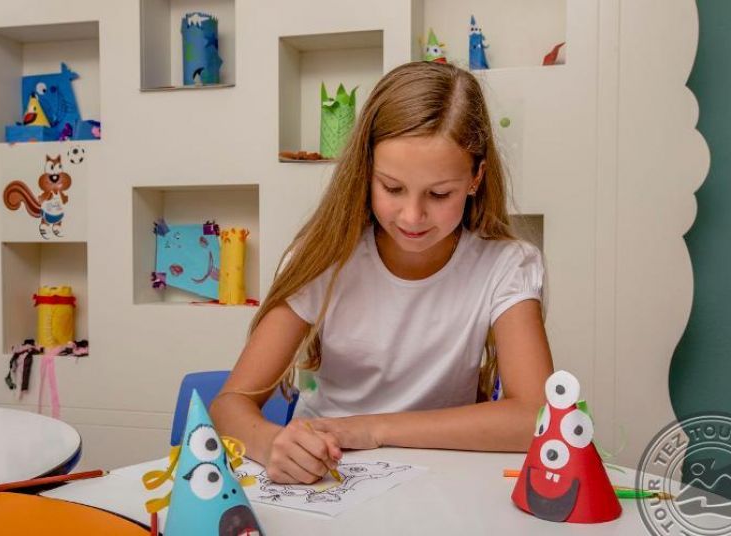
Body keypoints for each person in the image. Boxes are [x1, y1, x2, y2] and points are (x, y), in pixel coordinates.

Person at [210, 61, 554, 484]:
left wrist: (373, 429)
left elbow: (535, 416)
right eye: (392, 188)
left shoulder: (506, 265)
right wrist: (271, 445)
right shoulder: (323, 257)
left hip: (441, 481)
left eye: (439, 194)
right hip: (326, 476)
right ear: (365, 172)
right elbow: (229, 405)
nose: (412, 216)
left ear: (475, 178)